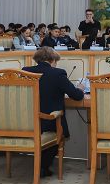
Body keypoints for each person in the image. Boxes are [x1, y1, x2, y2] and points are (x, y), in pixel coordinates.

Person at [21, 47, 85, 177]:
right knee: (58, 133)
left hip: (27, 121)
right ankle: (43, 166)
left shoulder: (25, 71)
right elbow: (76, 96)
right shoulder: (58, 73)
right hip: (49, 122)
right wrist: (80, 88)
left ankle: (41, 165)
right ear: (53, 60)